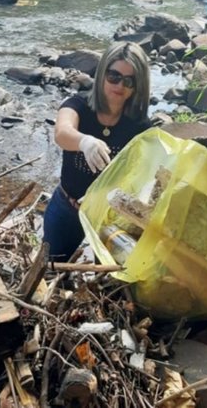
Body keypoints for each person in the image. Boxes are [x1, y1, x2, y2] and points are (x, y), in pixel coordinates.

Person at [43, 41, 151, 262]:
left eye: (129, 81)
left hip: (109, 216)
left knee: (108, 279)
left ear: (138, 86)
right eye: (114, 76)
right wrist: (84, 142)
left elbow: (143, 173)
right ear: (102, 74)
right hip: (68, 207)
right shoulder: (78, 105)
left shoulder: (139, 126)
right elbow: (62, 132)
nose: (120, 85)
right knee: (52, 268)